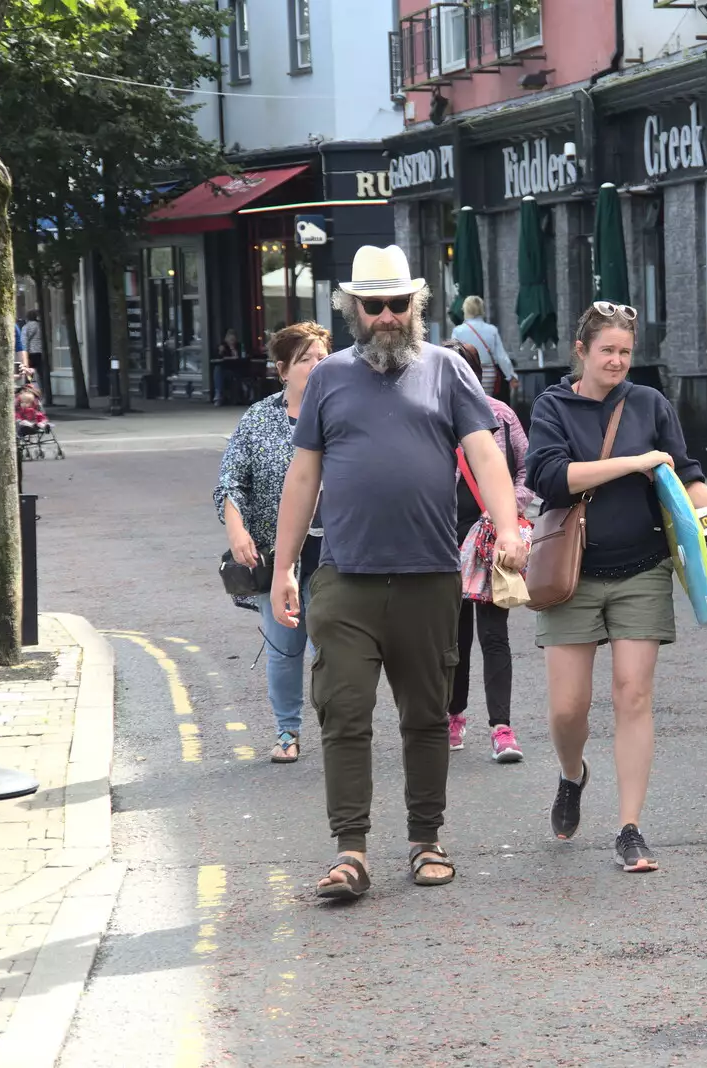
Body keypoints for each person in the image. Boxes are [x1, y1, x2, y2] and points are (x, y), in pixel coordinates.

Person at [269, 245, 525, 902]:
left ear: (417, 305)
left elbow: (485, 455)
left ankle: (425, 838)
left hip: (429, 576)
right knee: (344, 711)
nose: (385, 316)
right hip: (345, 579)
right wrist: (283, 568)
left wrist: (511, 527)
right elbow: (303, 476)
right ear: (353, 308)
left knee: (425, 715)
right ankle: (350, 851)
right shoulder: (327, 377)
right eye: (372, 305)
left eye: (397, 304)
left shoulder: (447, 372)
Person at [525, 301, 707, 873]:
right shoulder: (552, 406)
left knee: (633, 696)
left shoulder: (650, 403)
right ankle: (573, 775)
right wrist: (633, 461)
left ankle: (630, 828)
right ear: (582, 352)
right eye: (607, 351)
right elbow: (550, 478)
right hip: (571, 574)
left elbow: (683, 475)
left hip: (642, 567)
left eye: (625, 351)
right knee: (569, 709)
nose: (617, 361)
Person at [214, 322, 330, 764]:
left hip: (333, 552)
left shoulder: (343, 411)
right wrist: (237, 529)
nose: (316, 365)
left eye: (322, 356)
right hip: (277, 552)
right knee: (285, 647)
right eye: (305, 359)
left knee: (331, 648)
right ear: (283, 370)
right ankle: (287, 731)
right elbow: (231, 481)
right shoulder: (260, 418)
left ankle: (338, 728)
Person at [447, 339, 531, 763]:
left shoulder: (500, 415)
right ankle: (453, 716)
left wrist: (508, 516)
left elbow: (527, 468)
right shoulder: (429, 417)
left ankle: (502, 729)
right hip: (444, 540)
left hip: (490, 539)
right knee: (452, 638)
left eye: (461, 370)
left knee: (494, 635)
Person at [452, 296, 514, 401]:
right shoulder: (491, 330)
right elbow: (501, 356)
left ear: (465, 310)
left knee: (470, 403)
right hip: (488, 373)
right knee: (487, 403)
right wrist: (511, 376)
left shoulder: (458, 331)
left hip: (467, 372)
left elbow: (454, 356)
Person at [23, 309, 51, 405]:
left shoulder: (27, 327)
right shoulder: (41, 326)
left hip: (31, 353)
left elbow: (24, 341)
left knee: (28, 375)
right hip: (40, 352)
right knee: (41, 375)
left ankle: (28, 395)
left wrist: (24, 355)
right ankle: (44, 394)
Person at [213, 329, 242, 407]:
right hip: (225, 369)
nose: (232, 341)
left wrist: (233, 349)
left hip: (236, 370)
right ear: (226, 339)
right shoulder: (223, 346)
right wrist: (220, 352)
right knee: (218, 370)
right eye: (230, 339)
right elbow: (217, 359)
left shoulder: (239, 346)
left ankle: (237, 398)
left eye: (233, 339)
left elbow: (241, 358)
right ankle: (218, 396)